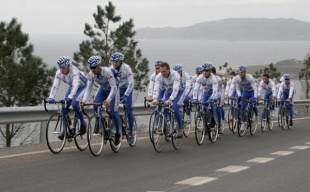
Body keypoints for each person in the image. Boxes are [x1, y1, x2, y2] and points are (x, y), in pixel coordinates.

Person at [80, 56, 121, 145]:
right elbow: (88, 88)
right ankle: (101, 124)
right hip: (103, 90)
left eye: (94, 67)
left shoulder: (107, 72)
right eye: (90, 68)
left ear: (99, 65)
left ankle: (118, 133)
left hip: (114, 91)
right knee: (95, 104)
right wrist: (84, 100)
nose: (92, 70)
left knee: (113, 113)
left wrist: (108, 100)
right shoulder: (91, 75)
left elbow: (114, 87)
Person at [47, 56, 87, 140]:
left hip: (82, 86)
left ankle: (83, 123)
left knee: (75, 104)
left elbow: (76, 85)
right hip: (72, 86)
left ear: (68, 66)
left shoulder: (74, 71)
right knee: (63, 107)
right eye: (60, 67)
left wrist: (70, 97)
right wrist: (51, 96)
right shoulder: (59, 73)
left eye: (63, 67)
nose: (61, 69)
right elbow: (55, 85)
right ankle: (64, 130)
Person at [152, 62, 184, 137]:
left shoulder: (175, 75)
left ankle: (180, 128)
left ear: (169, 70)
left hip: (179, 92)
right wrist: (155, 98)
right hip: (168, 91)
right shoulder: (158, 77)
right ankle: (166, 125)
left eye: (164, 71)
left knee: (175, 108)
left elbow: (176, 89)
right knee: (164, 107)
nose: (162, 73)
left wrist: (170, 99)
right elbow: (156, 88)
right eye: (161, 71)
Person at [110, 52, 136, 144]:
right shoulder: (111, 69)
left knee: (128, 110)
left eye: (116, 62)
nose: (114, 63)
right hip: (118, 89)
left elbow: (131, 83)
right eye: (113, 61)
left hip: (127, 89)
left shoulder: (126, 68)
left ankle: (131, 133)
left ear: (120, 61)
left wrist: (126, 95)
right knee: (113, 108)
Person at [192, 62, 219, 129]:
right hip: (206, 93)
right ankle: (205, 124)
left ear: (210, 71)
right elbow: (196, 89)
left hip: (213, 93)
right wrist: (195, 98)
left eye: (206, 71)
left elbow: (215, 91)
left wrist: (211, 98)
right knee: (203, 107)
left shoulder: (213, 78)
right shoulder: (200, 78)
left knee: (211, 104)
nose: (204, 72)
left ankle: (213, 119)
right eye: (203, 71)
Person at [234, 65, 259, 131]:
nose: (240, 74)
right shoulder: (237, 78)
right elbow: (237, 88)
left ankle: (255, 116)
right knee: (242, 108)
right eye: (239, 72)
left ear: (245, 72)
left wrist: (255, 97)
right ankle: (244, 122)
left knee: (252, 105)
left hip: (252, 92)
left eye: (242, 72)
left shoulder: (249, 77)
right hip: (245, 92)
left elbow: (255, 87)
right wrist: (239, 95)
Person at [211, 66, 224, 133]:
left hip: (217, 95)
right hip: (210, 94)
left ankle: (219, 125)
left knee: (218, 109)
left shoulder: (218, 79)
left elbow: (221, 90)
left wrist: (221, 101)